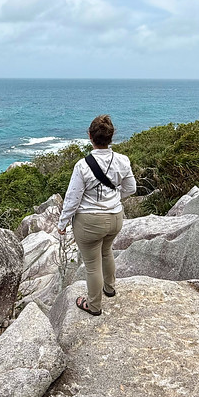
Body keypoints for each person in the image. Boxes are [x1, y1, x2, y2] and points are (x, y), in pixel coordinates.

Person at [57, 115, 136, 316]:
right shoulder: (122, 160)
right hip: (116, 218)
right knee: (107, 251)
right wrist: (115, 198)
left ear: (90, 136)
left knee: (92, 265)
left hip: (89, 222)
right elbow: (131, 188)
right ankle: (109, 288)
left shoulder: (82, 166)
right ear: (111, 137)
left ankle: (94, 306)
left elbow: (72, 198)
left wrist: (63, 223)